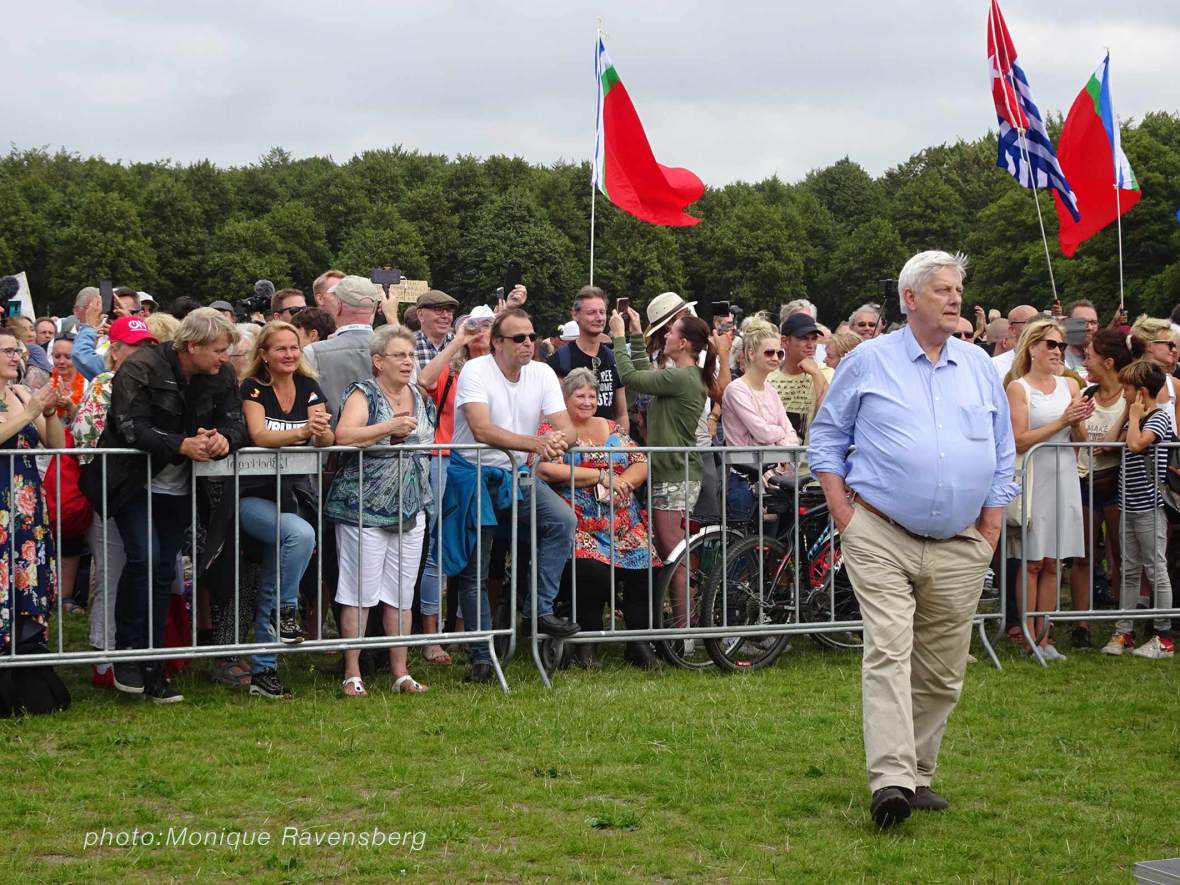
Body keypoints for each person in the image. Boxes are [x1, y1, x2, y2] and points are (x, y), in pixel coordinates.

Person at [809, 250, 1016, 828]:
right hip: (879, 532)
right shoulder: (869, 361)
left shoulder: (977, 365)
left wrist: (991, 527)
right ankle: (891, 781)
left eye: (957, 289)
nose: (955, 299)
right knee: (888, 652)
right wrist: (843, 513)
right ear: (910, 299)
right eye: (943, 290)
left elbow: (1003, 451)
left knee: (943, 670)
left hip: (961, 542)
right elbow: (826, 438)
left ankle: (919, 773)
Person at [86, 308, 246, 703]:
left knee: (161, 571)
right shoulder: (141, 365)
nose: (225, 358)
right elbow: (127, 424)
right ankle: (127, 652)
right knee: (143, 558)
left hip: (178, 488)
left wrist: (223, 438)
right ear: (192, 345)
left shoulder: (221, 374)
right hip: (133, 482)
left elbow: (235, 420)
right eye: (219, 350)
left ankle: (152, 668)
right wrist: (180, 444)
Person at [443, 307, 580, 685]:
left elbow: (567, 428)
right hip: (472, 475)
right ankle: (481, 655)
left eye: (531, 336)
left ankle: (538, 609)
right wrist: (536, 442)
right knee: (477, 569)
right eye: (518, 338)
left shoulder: (542, 373)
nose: (528, 344)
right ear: (496, 344)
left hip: (516, 476)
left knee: (561, 521)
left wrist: (555, 441)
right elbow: (482, 427)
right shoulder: (475, 370)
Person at [327, 326, 437, 697]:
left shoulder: (421, 397)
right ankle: (352, 672)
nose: (408, 361)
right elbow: (344, 435)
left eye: (410, 355)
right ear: (378, 361)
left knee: (401, 594)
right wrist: (389, 427)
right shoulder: (364, 392)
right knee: (359, 593)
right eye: (399, 355)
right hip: (364, 507)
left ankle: (400, 673)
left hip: (411, 508)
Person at [535, 368, 660, 668]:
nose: (588, 401)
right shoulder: (552, 429)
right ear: (565, 399)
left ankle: (638, 644)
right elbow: (547, 469)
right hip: (580, 521)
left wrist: (624, 482)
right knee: (593, 573)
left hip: (623, 520)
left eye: (592, 395)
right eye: (580, 395)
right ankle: (585, 646)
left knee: (645, 568)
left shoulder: (612, 427)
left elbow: (640, 462)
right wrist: (602, 476)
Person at [238, 321, 332, 698]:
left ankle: (264, 671)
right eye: (281, 349)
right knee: (300, 533)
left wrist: (322, 431)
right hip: (247, 497)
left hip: (292, 497)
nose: (290, 354)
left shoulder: (309, 387)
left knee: (273, 583)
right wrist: (303, 432)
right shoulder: (253, 388)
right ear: (264, 354)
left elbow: (327, 439)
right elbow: (259, 436)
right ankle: (287, 611)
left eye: (294, 347)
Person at [610, 305, 714, 641]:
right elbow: (646, 378)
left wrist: (620, 337)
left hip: (674, 477)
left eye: (670, 332)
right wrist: (637, 333)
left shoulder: (682, 377)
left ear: (683, 343)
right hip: (672, 475)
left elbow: (630, 377)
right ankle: (684, 630)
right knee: (673, 552)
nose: (665, 335)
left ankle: (685, 635)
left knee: (675, 554)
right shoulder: (681, 376)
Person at [71, 316, 159, 687]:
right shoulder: (104, 384)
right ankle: (106, 658)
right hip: (112, 488)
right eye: (131, 346)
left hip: (149, 488)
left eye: (145, 347)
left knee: (142, 569)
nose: (139, 353)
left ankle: (141, 654)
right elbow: (83, 438)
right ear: (115, 351)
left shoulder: (159, 384)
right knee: (112, 569)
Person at [1005, 319, 1091, 661]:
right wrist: (1062, 421)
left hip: (1064, 476)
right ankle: (1028, 637)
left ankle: (1046, 635)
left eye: (1060, 344)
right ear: (1033, 349)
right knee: (1032, 562)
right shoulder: (1018, 387)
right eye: (1051, 344)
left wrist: (1082, 418)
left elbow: (1081, 439)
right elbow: (1019, 439)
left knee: (1055, 563)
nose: (1058, 350)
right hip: (1032, 478)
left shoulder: (1070, 386)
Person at [416, 306, 493, 664]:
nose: (481, 333)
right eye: (474, 327)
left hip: (491, 467)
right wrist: (457, 341)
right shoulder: (454, 370)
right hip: (446, 461)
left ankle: (465, 631)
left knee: (476, 550)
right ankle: (432, 637)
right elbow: (424, 381)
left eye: (489, 327)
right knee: (438, 548)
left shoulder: (505, 372)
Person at [1069, 330, 1139, 648]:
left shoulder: (1131, 397)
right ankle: (1080, 625)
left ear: (1108, 362)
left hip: (1115, 483)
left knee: (1120, 555)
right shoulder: (1086, 394)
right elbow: (1080, 440)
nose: (1085, 360)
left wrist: (1116, 434)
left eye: (1090, 355)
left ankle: (1124, 625)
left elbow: (1119, 442)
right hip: (1085, 481)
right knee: (1083, 556)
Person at [1101, 360, 1175, 659]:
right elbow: (1110, 442)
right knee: (1129, 569)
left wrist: (1134, 417)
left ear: (1142, 392)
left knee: (1155, 569)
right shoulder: (1136, 417)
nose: (1124, 395)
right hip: (1128, 504)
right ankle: (1124, 630)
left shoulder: (1158, 419)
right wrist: (1127, 414)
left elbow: (1134, 446)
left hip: (1150, 506)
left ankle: (1164, 636)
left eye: (1128, 390)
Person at [0, 331, 65, 661]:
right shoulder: (25, 403)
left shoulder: (23, 392)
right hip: (1, 501)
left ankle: (25, 647)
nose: (15, 356)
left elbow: (56, 445)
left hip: (26, 502)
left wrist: (50, 412)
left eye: (17, 350)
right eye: (7, 350)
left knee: (26, 567)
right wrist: (29, 413)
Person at [547, 286, 629, 433]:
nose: (599, 318)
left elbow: (621, 414)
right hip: (573, 449)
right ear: (575, 315)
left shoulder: (614, 359)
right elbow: (554, 413)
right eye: (591, 313)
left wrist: (619, 447)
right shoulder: (559, 360)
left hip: (608, 448)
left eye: (602, 312)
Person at [304, 275, 381, 419]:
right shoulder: (401, 350)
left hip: (331, 438)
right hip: (388, 438)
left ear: (338, 306)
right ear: (373, 309)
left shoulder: (313, 352)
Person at [47, 334, 87, 613]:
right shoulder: (39, 383)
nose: (62, 361)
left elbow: (85, 424)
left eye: (68, 356)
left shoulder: (89, 386)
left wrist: (71, 406)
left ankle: (65, 596)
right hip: (44, 462)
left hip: (75, 463)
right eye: (57, 356)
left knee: (71, 525)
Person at [769, 313, 833, 448]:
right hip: (772, 462)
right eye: (804, 339)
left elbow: (830, 412)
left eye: (814, 339)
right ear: (785, 341)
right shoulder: (768, 376)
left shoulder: (826, 373)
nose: (811, 345)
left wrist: (816, 373)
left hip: (811, 464)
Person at [413, 289, 460, 371]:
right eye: (438, 310)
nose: (445, 315)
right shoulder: (409, 345)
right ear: (420, 315)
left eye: (449, 311)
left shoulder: (461, 345)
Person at [991, 305, 1038, 380]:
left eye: (1039, 321)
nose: (1038, 326)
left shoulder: (1054, 360)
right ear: (1012, 330)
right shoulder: (994, 365)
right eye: (1030, 322)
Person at [1062, 299, 1099, 377]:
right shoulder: (1058, 361)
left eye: (1093, 322)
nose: (1089, 327)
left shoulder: (1105, 360)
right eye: (1082, 323)